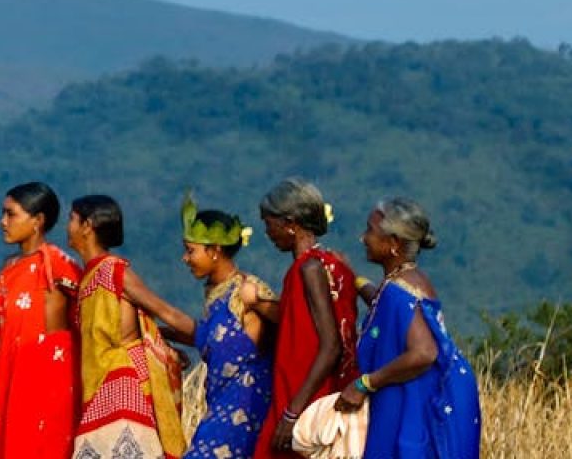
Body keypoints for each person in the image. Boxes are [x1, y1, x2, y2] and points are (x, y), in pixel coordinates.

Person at [332, 198, 481, 458]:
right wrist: (353, 277)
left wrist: (364, 384)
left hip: (414, 403)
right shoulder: (408, 280)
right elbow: (384, 309)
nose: (363, 238)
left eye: (370, 230)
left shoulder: (399, 290)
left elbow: (424, 352)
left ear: (393, 244)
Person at [67, 195, 192, 458]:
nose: (68, 227)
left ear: (87, 225)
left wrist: (209, 337)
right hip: (99, 386)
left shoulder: (113, 271)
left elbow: (164, 310)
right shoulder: (88, 277)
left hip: (123, 385)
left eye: (72, 219)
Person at [254, 178, 359, 458]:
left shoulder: (308, 269)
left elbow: (331, 345)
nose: (268, 232)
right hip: (317, 392)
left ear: (290, 223)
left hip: (303, 394)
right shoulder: (335, 265)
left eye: (269, 224)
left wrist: (291, 413)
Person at [171, 197, 278, 458]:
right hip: (219, 405)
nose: (186, 258)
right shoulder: (217, 296)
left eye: (191, 250)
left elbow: (293, 322)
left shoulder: (247, 290)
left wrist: (141, 297)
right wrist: (154, 330)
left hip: (245, 410)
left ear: (214, 250)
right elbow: (201, 336)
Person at [0, 182, 81, 459]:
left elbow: (94, 306)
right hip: (12, 373)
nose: (3, 222)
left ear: (37, 221)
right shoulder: (10, 267)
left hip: (47, 380)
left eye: (11, 214)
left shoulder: (58, 265)